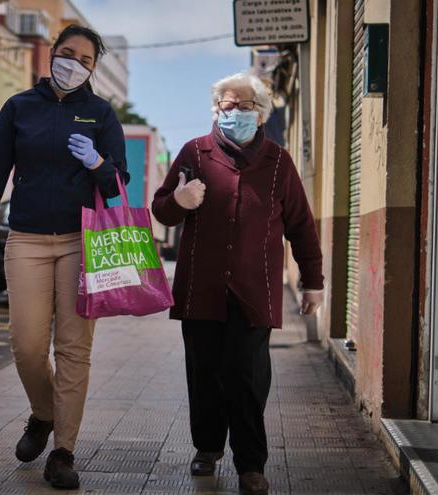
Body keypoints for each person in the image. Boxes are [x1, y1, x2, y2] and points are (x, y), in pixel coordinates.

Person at [0, 25, 128, 490]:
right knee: (27, 346)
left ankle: (63, 451)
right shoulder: (19, 108)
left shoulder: (100, 114)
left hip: (80, 241)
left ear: (93, 69)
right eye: (66, 54)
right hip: (26, 240)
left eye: (85, 60)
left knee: (73, 350)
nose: (73, 64)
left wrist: (97, 163)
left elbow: (119, 185)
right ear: (51, 55)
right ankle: (43, 414)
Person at [151, 73, 323, 495]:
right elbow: (162, 210)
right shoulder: (195, 153)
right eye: (227, 105)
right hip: (201, 286)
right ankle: (207, 448)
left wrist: (312, 282)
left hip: (254, 287)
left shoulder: (279, 161)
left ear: (261, 112)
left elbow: (300, 225)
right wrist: (178, 200)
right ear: (216, 109)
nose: (235, 112)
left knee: (247, 376)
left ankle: (251, 464)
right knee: (204, 372)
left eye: (244, 106)